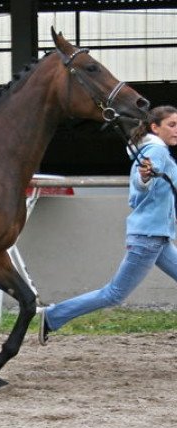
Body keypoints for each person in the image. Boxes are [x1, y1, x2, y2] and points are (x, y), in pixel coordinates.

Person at [39, 105, 177, 345]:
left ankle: (53, 315)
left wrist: (145, 181)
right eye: (172, 125)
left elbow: (139, 194)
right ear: (155, 127)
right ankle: (52, 316)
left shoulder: (149, 150)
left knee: (113, 293)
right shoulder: (156, 152)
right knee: (114, 294)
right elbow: (142, 187)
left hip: (158, 237)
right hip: (148, 239)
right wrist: (145, 178)